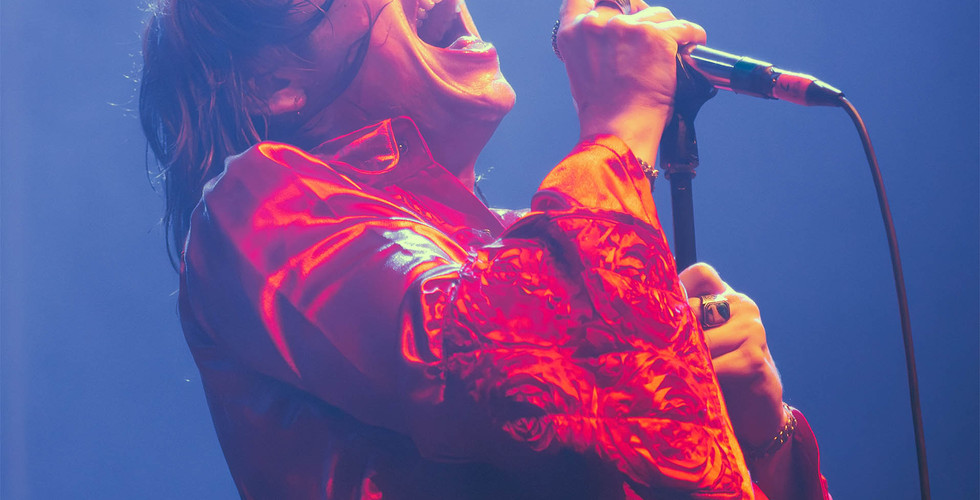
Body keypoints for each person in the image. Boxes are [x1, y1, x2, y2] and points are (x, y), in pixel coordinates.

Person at [140, 0, 831, 498]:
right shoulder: (258, 201)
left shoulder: (533, 244)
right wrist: (619, 128)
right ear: (274, 84)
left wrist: (762, 438)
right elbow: (503, 375)